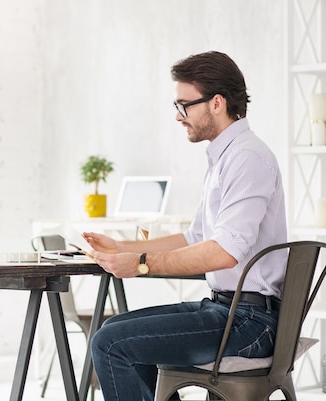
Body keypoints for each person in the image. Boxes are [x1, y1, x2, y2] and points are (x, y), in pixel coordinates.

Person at [83, 51, 287, 401]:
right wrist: (122, 248)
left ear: (217, 103)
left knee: (110, 343)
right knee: (113, 330)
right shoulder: (226, 157)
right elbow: (196, 237)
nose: (179, 117)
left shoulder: (246, 158)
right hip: (228, 311)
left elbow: (223, 252)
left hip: (249, 323)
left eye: (184, 106)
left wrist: (143, 263)